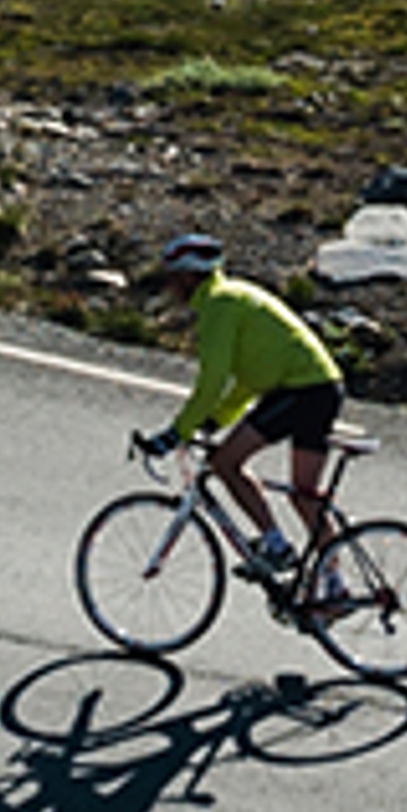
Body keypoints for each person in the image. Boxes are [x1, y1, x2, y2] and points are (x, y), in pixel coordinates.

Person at [142, 233, 350, 593]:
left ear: (190, 277)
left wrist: (176, 432)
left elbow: (213, 379)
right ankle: (335, 584)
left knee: (226, 463)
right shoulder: (231, 296)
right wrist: (213, 421)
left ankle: (275, 546)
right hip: (319, 387)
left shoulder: (219, 306)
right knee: (303, 494)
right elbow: (246, 382)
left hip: (301, 390)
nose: (169, 287)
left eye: (172, 278)